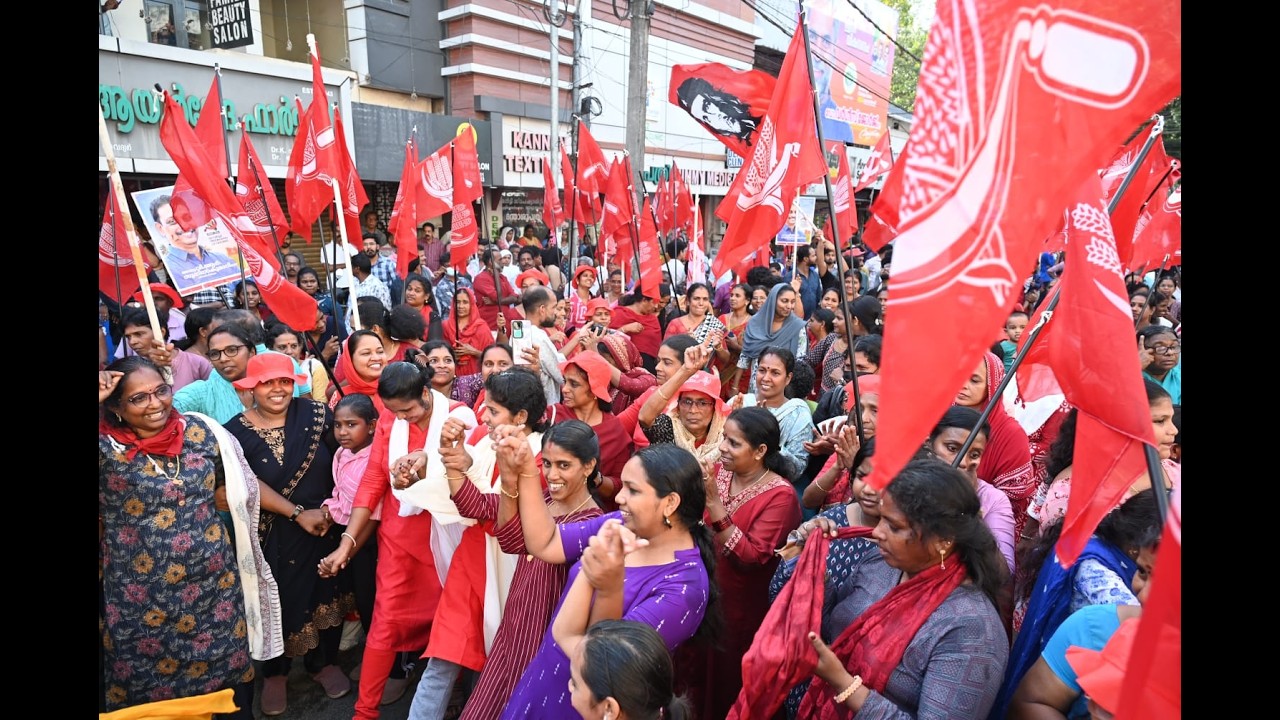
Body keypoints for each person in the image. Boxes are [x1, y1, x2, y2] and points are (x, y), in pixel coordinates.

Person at [750, 459, 1010, 720]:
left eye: (894, 527)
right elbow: (828, 626)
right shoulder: (881, 564)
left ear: (943, 542)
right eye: (882, 520)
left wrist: (843, 683)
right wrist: (810, 563)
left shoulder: (972, 631)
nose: (877, 533)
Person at [99, 357, 281, 717]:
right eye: (138, 398)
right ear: (116, 408)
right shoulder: (105, 448)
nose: (155, 404)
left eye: (160, 391)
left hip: (215, 594)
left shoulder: (201, 432)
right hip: (142, 603)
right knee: (153, 696)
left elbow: (231, 485)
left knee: (228, 688)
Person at [496, 442, 716, 720]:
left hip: (588, 706)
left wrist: (605, 584)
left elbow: (603, 657)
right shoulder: (621, 526)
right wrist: (528, 470)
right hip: (546, 679)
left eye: (633, 490)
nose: (620, 497)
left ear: (670, 502)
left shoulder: (685, 589)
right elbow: (546, 543)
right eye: (622, 486)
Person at [317, 361, 478, 720]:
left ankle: (455, 692)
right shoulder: (392, 419)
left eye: (407, 410)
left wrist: (429, 465)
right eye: (393, 412)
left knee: (454, 621)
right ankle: (364, 711)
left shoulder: (459, 416)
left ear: (426, 393)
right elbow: (374, 479)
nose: (401, 418)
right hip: (400, 537)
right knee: (385, 620)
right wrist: (347, 542)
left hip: (449, 535)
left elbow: (475, 472)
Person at [396, 369, 553, 720]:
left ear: (521, 417)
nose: (482, 415)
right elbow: (449, 483)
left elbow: (494, 513)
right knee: (443, 659)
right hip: (472, 563)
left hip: (515, 571)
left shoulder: (543, 459)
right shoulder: (484, 438)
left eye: (493, 410)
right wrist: (423, 468)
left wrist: (461, 466)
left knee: (500, 665)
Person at [223, 353, 354, 715]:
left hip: (326, 525)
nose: (278, 389)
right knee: (277, 597)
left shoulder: (317, 414)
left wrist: (331, 509)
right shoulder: (234, 432)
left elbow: (345, 461)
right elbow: (244, 485)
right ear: (250, 388)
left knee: (326, 588)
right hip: (271, 535)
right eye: (267, 382)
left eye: (284, 381)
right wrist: (297, 513)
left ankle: (323, 663)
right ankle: (275, 672)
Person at [457, 420, 606, 719]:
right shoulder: (545, 500)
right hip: (515, 627)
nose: (552, 475)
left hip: (545, 640)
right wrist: (509, 479)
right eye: (547, 463)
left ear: (589, 466)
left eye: (564, 465)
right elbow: (510, 540)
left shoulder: (592, 525)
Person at [991, 490, 1162, 720]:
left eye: (1169, 581)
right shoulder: (1097, 622)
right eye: (1143, 572)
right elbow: (1030, 703)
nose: (1145, 596)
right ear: (1136, 550)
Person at [679, 406, 803, 719]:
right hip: (701, 595)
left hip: (741, 611)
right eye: (723, 438)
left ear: (761, 451)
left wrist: (715, 505)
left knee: (726, 683)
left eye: (733, 443)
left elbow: (751, 557)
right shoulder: (720, 473)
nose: (722, 447)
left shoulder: (781, 496)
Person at [918, 406, 1016, 574]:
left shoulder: (993, 500)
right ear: (929, 445)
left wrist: (968, 508)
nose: (963, 462)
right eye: (952, 448)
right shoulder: (909, 485)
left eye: (975, 454)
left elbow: (1004, 576)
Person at [954, 351, 1037, 539]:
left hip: (984, 531)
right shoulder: (942, 419)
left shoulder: (1010, 434)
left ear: (992, 384)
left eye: (974, 380)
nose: (963, 385)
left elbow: (1013, 501)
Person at [551, 351, 635, 507]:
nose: (564, 389)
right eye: (565, 381)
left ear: (595, 390)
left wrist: (595, 478)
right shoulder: (553, 415)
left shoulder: (615, 430)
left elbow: (619, 485)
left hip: (593, 514)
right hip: (548, 506)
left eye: (574, 384)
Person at [735, 347, 815, 481]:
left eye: (775, 373)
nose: (766, 378)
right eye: (762, 371)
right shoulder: (740, 402)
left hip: (773, 485)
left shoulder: (798, 414)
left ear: (788, 378)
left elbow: (797, 470)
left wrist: (767, 433)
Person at [150, 194, 239, 290]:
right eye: (172, 221)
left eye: (186, 217)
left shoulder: (223, 259)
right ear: (160, 229)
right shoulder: (171, 268)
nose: (184, 225)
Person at [172, 324, 257, 423]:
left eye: (232, 350)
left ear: (251, 352)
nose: (223, 359)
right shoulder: (203, 392)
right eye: (215, 354)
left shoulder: (271, 385)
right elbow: (166, 413)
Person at [120, 306, 212, 392]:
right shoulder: (132, 370)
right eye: (128, 337)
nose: (132, 342)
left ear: (161, 332)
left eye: (139, 334)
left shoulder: (197, 363)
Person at [674, 75, 761, 146]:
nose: (713, 117)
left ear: (716, 98)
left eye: (707, 106)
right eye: (705, 118)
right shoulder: (746, 143)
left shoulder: (760, 109)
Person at [328, 330, 388, 415]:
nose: (376, 357)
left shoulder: (398, 389)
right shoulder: (340, 396)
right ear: (350, 359)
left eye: (380, 352)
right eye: (366, 353)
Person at [267, 323, 330, 402]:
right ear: (270, 349)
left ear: (300, 346)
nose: (289, 351)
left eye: (294, 346)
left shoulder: (313, 367)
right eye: (282, 347)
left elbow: (321, 405)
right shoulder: (265, 372)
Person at [442, 287, 493, 377]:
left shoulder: (481, 327)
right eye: (457, 302)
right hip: (451, 378)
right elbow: (439, 353)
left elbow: (492, 356)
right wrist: (451, 356)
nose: (460, 306)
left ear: (472, 304)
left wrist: (473, 352)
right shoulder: (445, 326)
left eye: (465, 302)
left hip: (477, 378)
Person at [610, 289, 664, 370]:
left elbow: (656, 344)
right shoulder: (619, 314)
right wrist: (625, 329)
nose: (656, 306)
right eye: (653, 302)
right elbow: (608, 340)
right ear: (644, 300)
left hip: (648, 367)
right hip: (623, 366)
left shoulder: (653, 319)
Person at [717, 283, 754, 399]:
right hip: (720, 370)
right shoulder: (722, 318)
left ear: (747, 301)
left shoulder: (753, 323)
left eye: (737, 296)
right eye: (731, 295)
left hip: (741, 374)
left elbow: (753, 352)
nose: (732, 298)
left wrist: (736, 346)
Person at [1138, 326, 1181, 405]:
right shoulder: (1131, 376)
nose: (1170, 353)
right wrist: (1136, 368)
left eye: (1174, 346)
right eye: (1160, 347)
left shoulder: (1178, 377)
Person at [567, 265, 598, 332]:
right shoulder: (569, 301)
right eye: (585, 275)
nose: (589, 278)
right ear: (577, 280)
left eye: (591, 276)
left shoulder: (595, 300)